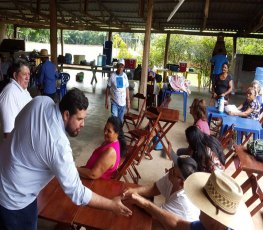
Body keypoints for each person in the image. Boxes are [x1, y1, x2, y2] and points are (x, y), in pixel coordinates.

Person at [0, 88, 132, 229]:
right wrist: (111, 205)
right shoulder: (58, 145)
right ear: (66, 114)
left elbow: (18, 121)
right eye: (79, 119)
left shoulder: (41, 101)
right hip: (15, 200)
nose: (83, 124)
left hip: (8, 178)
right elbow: (77, 192)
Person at [125, 170, 254, 230]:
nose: (199, 210)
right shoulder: (206, 226)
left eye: (203, 207)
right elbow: (177, 224)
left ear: (215, 218)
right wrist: (144, 203)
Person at [123, 155, 200, 222]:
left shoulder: (182, 201)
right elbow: (154, 189)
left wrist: (140, 200)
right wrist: (134, 190)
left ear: (181, 183)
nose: (169, 170)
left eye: (173, 171)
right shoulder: (172, 176)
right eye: (173, 166)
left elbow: (158, 215)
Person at [0, 58, 32, 139]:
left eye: (29, 74)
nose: (28, 78)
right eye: (24, 74)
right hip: (19, 145)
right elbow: (8, 133)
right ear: (15, 75)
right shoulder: (9, 94)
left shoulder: (23, 90)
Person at [105, 59, 130, 123]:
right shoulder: (112, 76)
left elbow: (127, 88)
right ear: (117, 66)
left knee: (120, 120)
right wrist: (106, 100)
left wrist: (128, 101)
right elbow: (108, 88)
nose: (120, 68)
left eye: (122, 66)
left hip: (123, 103)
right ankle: (114, 132)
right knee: (114, 119)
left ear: (123, 67)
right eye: (119, 66)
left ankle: (118, 132)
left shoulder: (125, 76)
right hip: (114, 102)